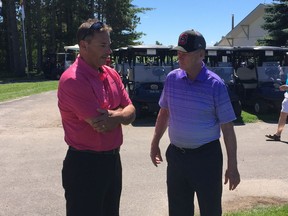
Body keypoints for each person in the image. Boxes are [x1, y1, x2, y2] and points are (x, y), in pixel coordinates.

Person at [150, 29, 240, 216]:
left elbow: (228, 129)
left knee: (210, 209)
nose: (180, 56)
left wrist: (232, 166)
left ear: (201, 54)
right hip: (177, 156)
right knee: (178, 210)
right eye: (178, 52)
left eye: (185, 53)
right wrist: (155, 142)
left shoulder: (215, 85)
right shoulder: (172, 79)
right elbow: (164, 112)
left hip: (206, 158)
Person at [58, 18, 136, 216]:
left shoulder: (111, 74)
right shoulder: (73, 80)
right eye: (103, 45)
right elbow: (100, 124)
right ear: (84, 45)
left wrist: (115, 115)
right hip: (85, 166)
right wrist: (121, 114)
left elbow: (132, 111)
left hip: (112, 162)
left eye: (109, 45)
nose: (108, 51)